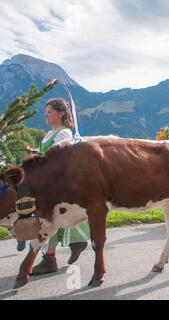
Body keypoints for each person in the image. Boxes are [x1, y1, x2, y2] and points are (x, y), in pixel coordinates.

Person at [29, 98, 91, 275]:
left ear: (61, 113)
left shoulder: (64, 134)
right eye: (46, 111)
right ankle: (75, 242)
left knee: (49, 219)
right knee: (49, 219)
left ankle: (49, 258)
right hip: (45, 182)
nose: (46, 115)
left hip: (56, 184)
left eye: (50, 111)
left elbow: (60, 161)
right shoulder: (49, 133)